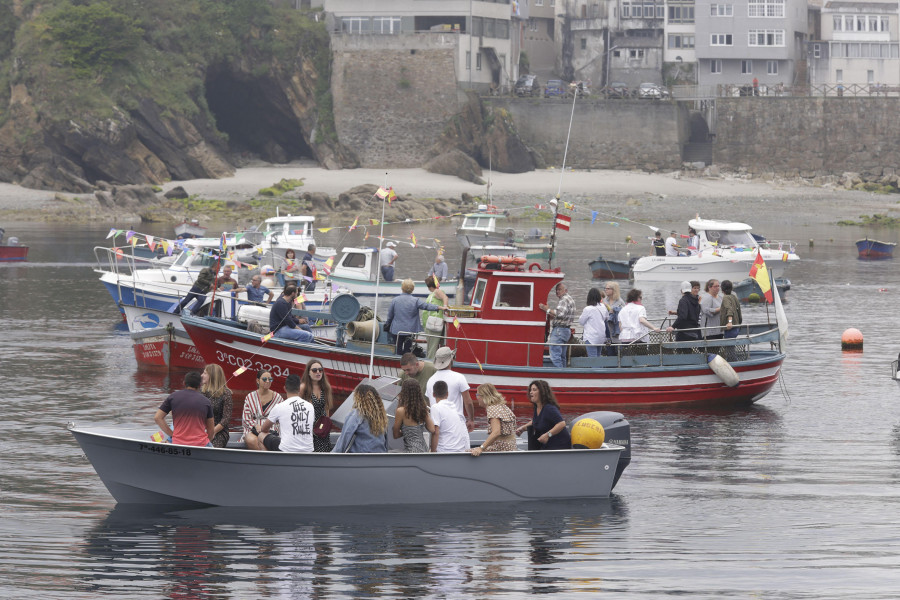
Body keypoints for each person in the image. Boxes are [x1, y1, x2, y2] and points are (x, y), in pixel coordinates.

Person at [153, 371, 214, 447]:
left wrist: (172, 434)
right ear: (199, 385)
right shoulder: (206, 402)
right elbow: (211, 430)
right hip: (200, 444)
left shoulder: (173, 397)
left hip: (177, 442)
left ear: (184, 383)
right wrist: (207, 439)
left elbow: (157, 418)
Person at [258, 374, 314, 452]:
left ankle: (270, 461)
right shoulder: (310, 406)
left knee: (261, 435)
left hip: (287, 450)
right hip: (308, 450)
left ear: (285, 388)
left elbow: (264, 429)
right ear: (299, 389)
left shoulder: (279, 407)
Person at [386, 279, 443, 355]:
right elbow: (426, 306)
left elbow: (390, 316)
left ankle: (397, 362)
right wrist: (438, 307)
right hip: (410, 330)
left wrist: (388, 323)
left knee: (397, 350)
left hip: (397, 330)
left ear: (402, 288)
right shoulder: (415, 300)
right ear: (412, 289)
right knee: (408, 350)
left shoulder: (395, 300)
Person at [425, 347, 475, 432]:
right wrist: (471, 420)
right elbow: (468, 402)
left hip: (437, 424)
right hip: (456, 424)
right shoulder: (459, 377)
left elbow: (428, 403)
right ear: (451, 359)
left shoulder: (430, 380)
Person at [331, 384, 389, 453]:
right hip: (380, 456)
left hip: (361, 458)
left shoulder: (356, 415)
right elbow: (385, 441)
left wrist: (333, 455)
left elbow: (345, 437)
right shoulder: (381, 416)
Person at [515, 380, 570, 450]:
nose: (531, 392)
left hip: (559, 447)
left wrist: (547, 435)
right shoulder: (537, 407)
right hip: (547, 445)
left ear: (542, 392)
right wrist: (522, 428)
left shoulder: (549, 408)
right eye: (530, 390)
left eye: (534, 390)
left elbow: (562, 423)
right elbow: (535, 421)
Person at [241, 370, 285, 450]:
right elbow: (246, 419)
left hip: (272, 430)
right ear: (258, 381)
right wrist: (256, 426)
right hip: (253, 429)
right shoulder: (249, 397)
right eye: (264, 379)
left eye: (270, 379)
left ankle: (265, 460)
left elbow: (283, 418)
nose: (268, 381)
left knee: (268, 440)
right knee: (251, 440)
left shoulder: (278, 398)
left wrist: (267, 427)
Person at [470, 383, 517, 456]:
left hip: (501, 449)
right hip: (511, 447)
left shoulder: (492, 408)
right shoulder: (502, 406)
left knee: (469, 451)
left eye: (477, 395)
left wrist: (481, 448)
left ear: (484, 396)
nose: (476, 397)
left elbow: (496, 432)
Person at [299, 359, 334, 453]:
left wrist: (326, 425)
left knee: (324, 453)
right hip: (308, 427)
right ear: (308, 373)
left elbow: (326, 409)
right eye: (314, 370)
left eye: (320, 370)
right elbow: (297, 408)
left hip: (322, 428)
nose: (318, 372)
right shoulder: (303, 388)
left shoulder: (326, 387)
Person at [392, 379, 435, 453]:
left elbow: (395, 435)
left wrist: (407, 431)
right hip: (424, 449)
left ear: (403, 392)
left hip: (411, 451)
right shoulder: (423, 408)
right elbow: (432, 429)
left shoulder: (401, 411)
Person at [539, 281, 575, 368]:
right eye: (556, 290)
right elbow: (563, 315)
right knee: (562, 356)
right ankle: (564, 373)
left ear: (565, 290)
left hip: (559, 330)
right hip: (566, 330)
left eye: (559, 289)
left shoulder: (564, 299)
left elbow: (560, 314)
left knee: (555, 356)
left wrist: (546, 309)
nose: (557, 292)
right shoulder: (570, 299)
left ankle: (559, 373)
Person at [429, 380, 470, 453]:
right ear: (447, 394)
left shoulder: (435, 407)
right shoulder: (453, 407)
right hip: (460, 450)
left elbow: (436, 432)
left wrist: (432, 451)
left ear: (433, 394)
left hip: (445, 450)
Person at [200, 364, 233, 448]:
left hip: (218, 431)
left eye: (205, 373)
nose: (201, 375)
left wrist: (212, 431)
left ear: (212, 376)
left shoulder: (226, 393)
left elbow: (226, 419)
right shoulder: (201, 392)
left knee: (212, 447)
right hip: (200, 429)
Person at [421, 275, 451, 360]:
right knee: (432, 345)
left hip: (433, 323)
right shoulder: (434, 293)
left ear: (429, 286)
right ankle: (432, 360)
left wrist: (445, 307)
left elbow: (445, 297)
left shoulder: (437, 291)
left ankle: (430, 363)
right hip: (430, 323)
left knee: (432, 346)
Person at [578, 287, 609, 357]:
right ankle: (599, 367)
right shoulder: (603, 307)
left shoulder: (588, 309)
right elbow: (606, 318)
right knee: (598, 357)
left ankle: (595, 368)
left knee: (593, 359)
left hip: (591, 338)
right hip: (601, 337)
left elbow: (581, 322)